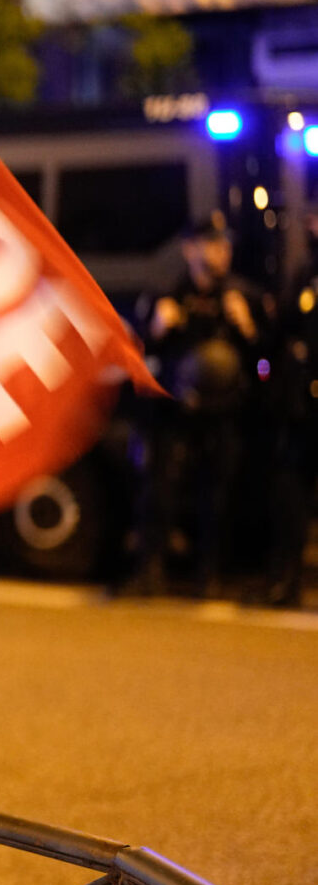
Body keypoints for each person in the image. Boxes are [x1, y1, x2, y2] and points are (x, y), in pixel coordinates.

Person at [133, 211, 274, 597]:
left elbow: (267, 361)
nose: (222, 252)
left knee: (217, 498)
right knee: (159, 492)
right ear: (190, 248)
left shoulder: (243, 296)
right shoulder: (168, 294)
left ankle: (208, 575)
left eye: (226, 244)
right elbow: (140, 353)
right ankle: (151, 569)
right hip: (176, 412)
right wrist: (157, 329)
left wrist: (249, 329)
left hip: (224, 413)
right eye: (212, 244)